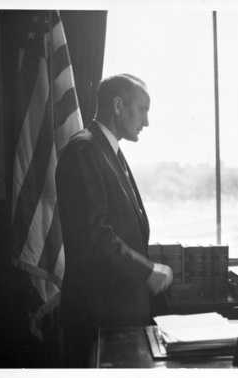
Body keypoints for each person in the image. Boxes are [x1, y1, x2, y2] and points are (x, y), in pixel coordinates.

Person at [56, 74, 173, 367]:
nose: (146, 122)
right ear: (118, 106)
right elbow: (95, 235)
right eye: (143, 109)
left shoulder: (107, 150)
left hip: (118, 311)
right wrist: (148, 270)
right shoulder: (84, 149)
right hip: (100, 315)